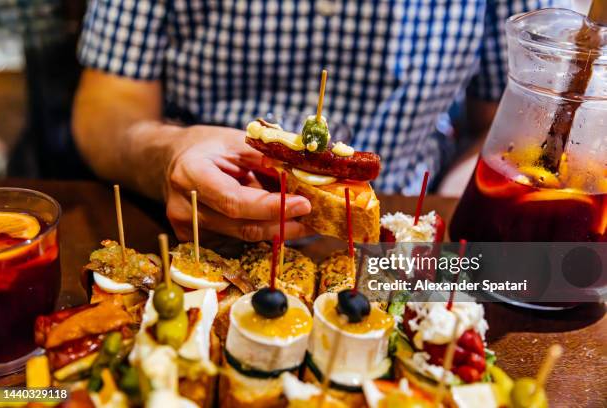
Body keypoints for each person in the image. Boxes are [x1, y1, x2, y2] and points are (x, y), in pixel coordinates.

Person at [72, 0, 560, 242]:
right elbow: (107, 111)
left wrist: (453, 199)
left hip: (406, 228)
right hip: (193, 222)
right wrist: (167, 155)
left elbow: (509, 120)